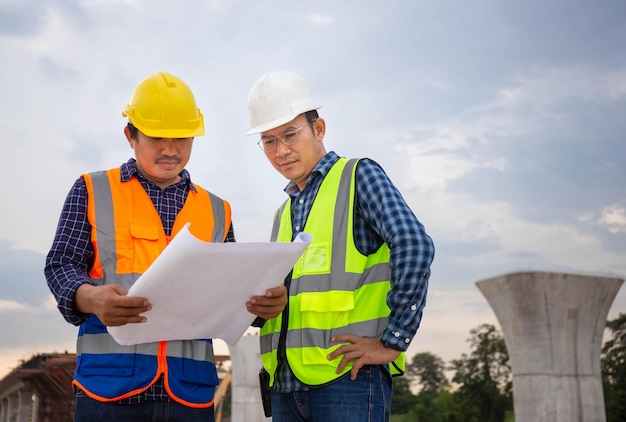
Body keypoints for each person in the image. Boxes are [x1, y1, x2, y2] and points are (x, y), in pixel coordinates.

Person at [44, 71, 287, 422]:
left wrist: (262, 307)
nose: (170, 150)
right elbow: (61, 265)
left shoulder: (217, 210)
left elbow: (230, 295)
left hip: (190, 393)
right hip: (109, 389)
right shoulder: (92, 190)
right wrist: (90, 297)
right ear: (131, 135)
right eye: (157, 137)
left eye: (183, 138)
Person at [245, 70, 435, 421]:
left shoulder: (357, 177)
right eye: (268, 141)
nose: (281, 150)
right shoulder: (283, 214)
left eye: (290, 134)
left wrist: (392, 341)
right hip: (286, 386)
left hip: (347, 381)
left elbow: (414, 244)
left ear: (318, 129)